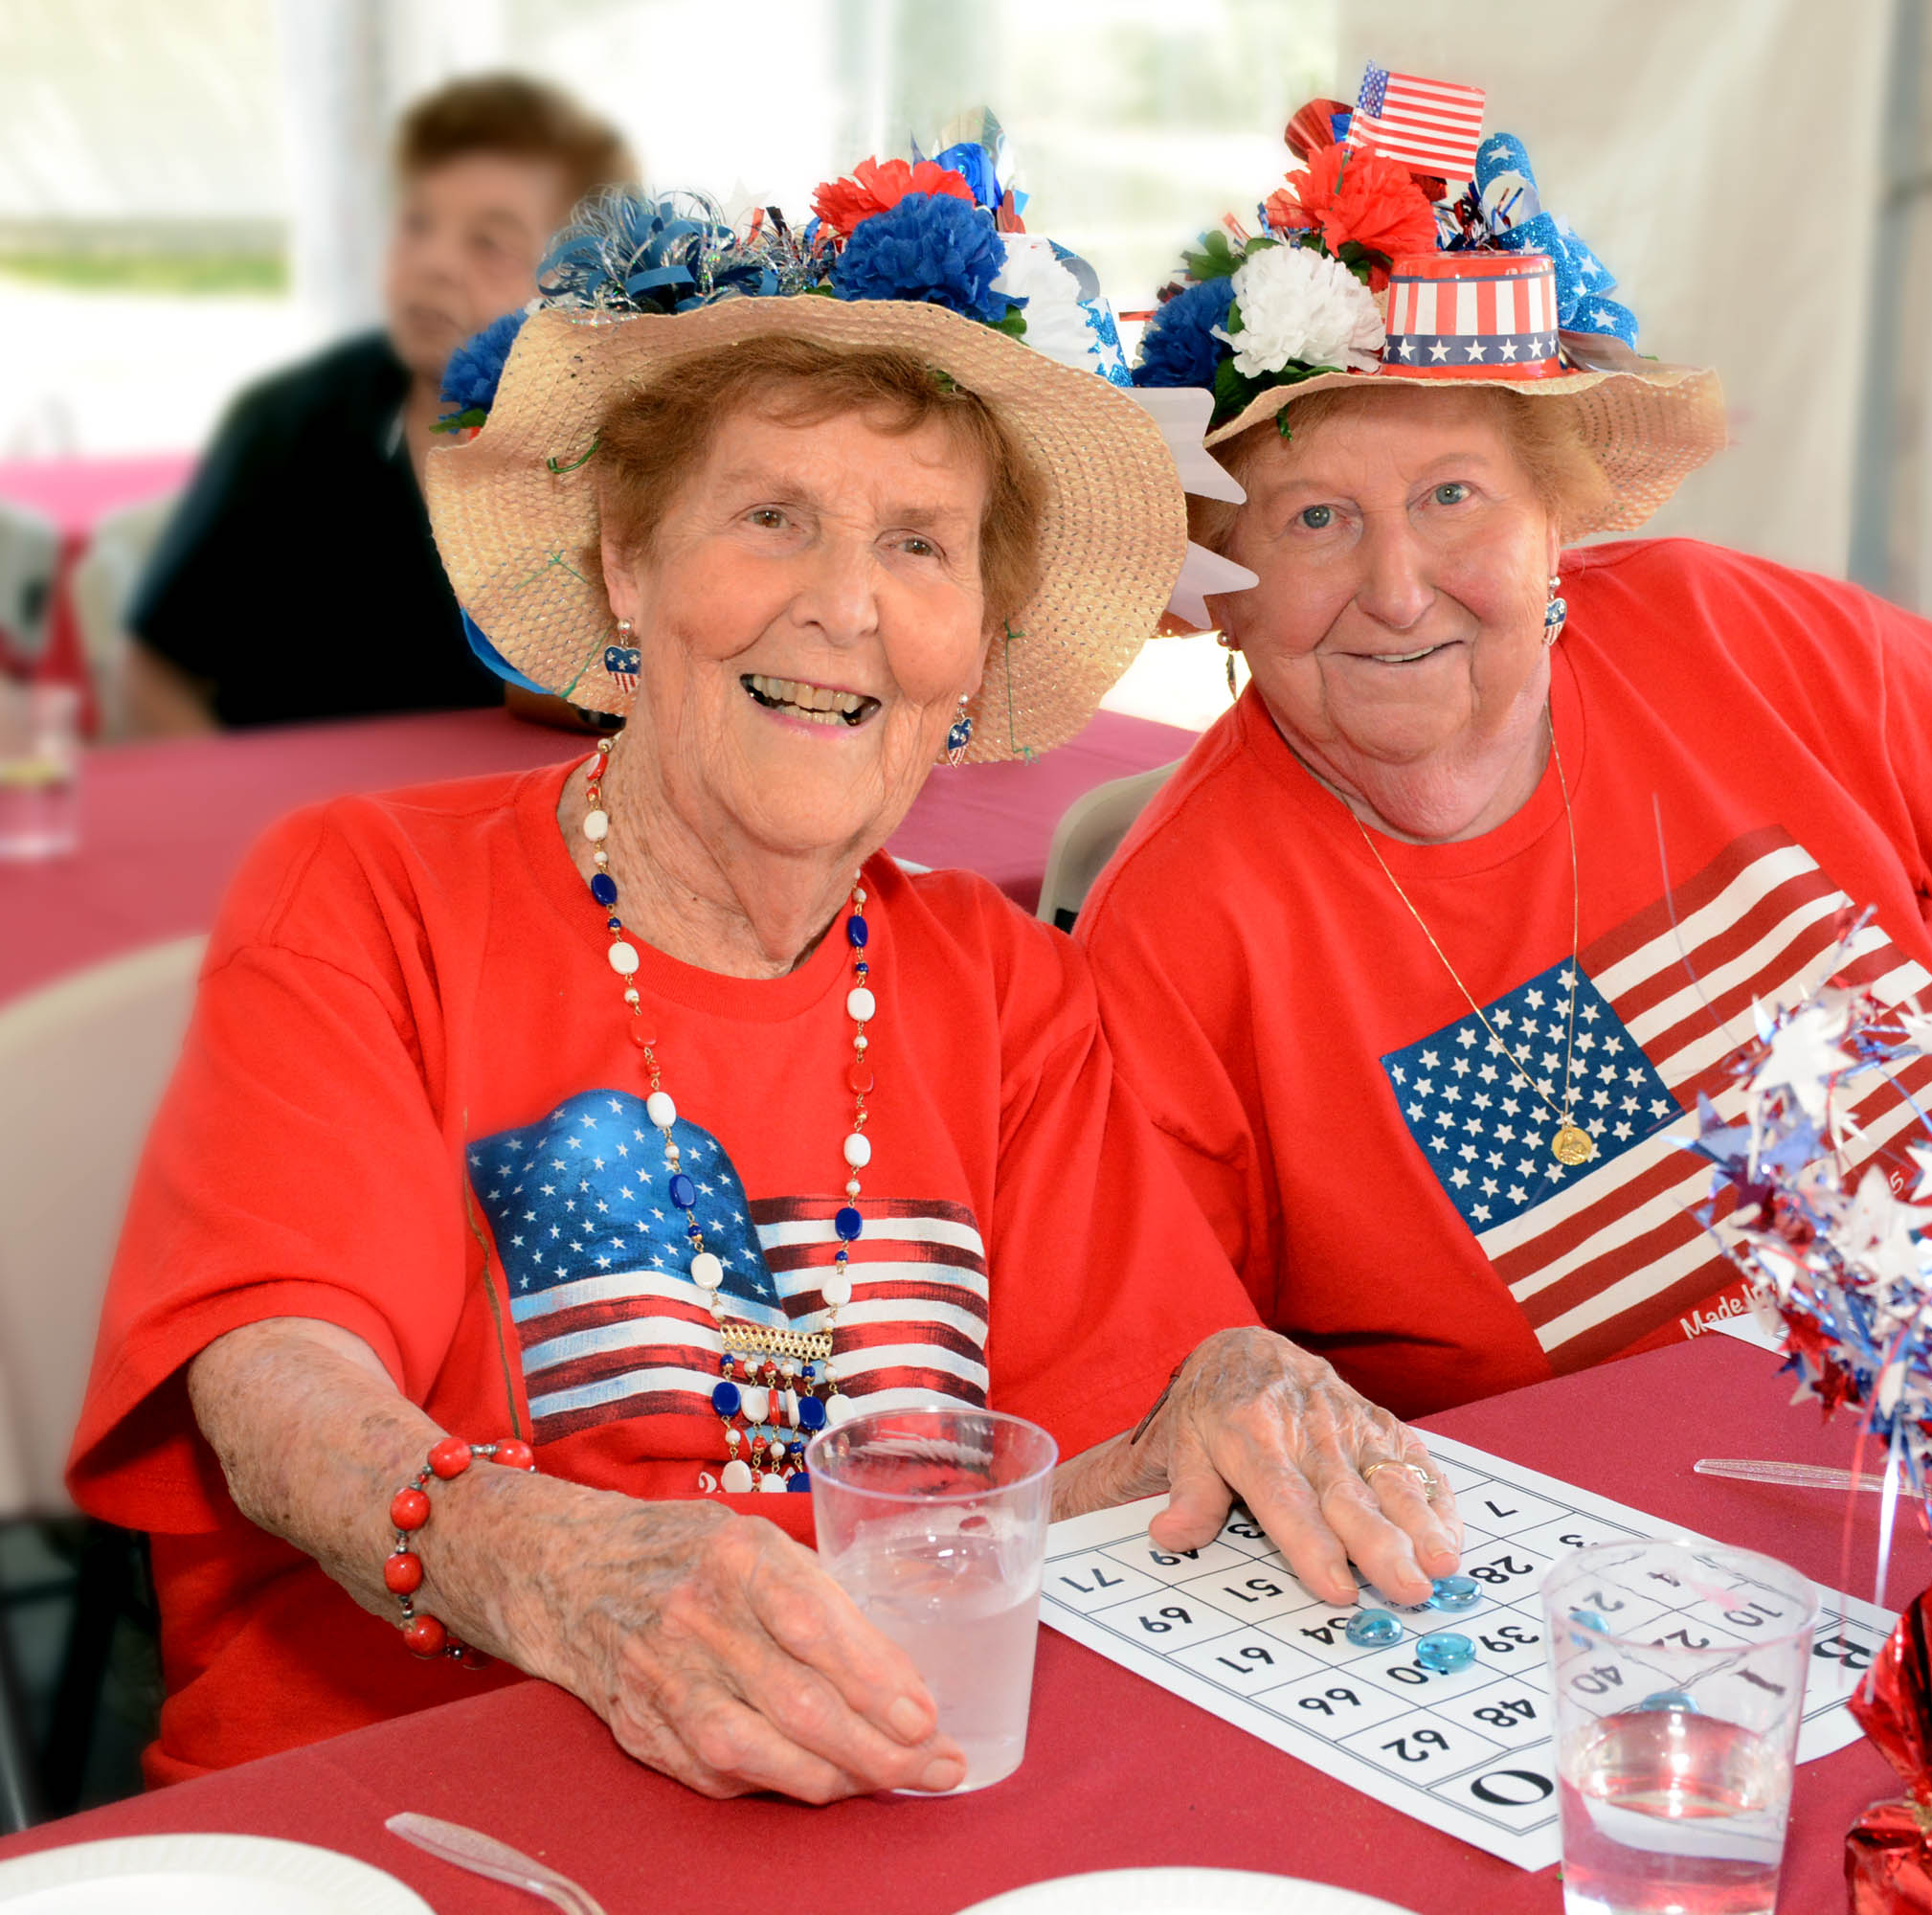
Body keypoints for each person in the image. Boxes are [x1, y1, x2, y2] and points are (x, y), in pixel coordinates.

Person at [67, 169, 1460, 1795]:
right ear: (623, 570)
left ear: (977, 645)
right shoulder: (371, 894)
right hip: (418, 1797)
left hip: (880, 1792)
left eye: (922, 545)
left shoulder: (1009, 989)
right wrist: (548, 1565)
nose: (848, 607)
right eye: (771, 516)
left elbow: (1106, 1467)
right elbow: (271, 1377)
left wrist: (1223, 1386)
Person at [1080, 94, 1932, 1422]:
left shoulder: (1724, 632)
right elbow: (1173, 1383)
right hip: (1596, 1569)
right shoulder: (1173, 933)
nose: (1401, 590)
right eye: (1316, 519)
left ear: (1555, 530)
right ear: (1223, 596)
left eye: (1452, 497)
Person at [121, 75, 635, 732]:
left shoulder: (619, 449)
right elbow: (156, 669)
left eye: (489, 243)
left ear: (582, 281)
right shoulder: (284, 426)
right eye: (417, 225)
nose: (434, 264)